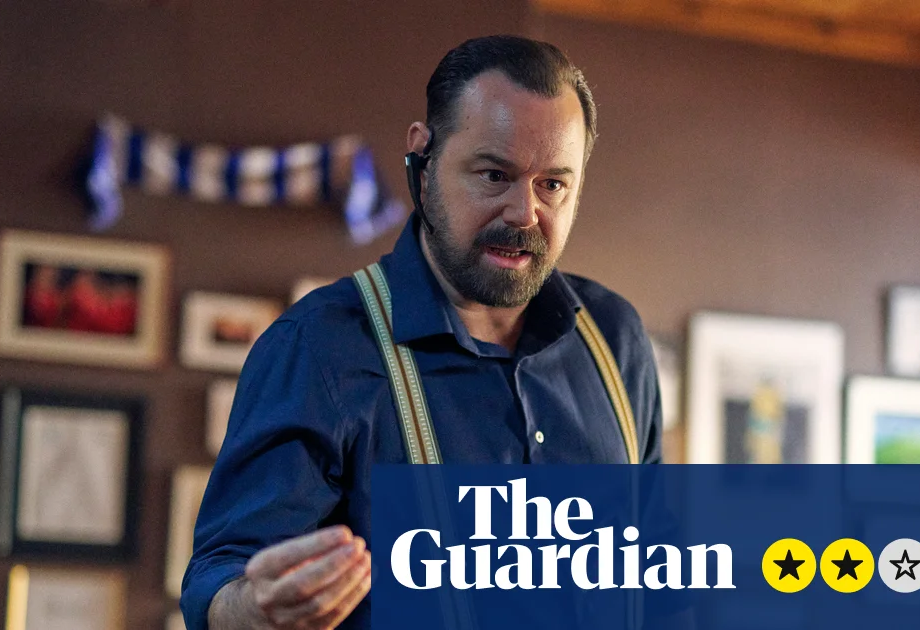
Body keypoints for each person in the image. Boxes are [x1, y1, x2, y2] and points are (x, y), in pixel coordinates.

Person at [182, 35, 667, 630]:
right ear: (423, 157)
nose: (524, 212)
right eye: (494, 174)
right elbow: (221, 580)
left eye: (553, 185)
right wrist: (253, 610)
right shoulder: (318, 349)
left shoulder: (615, 339)